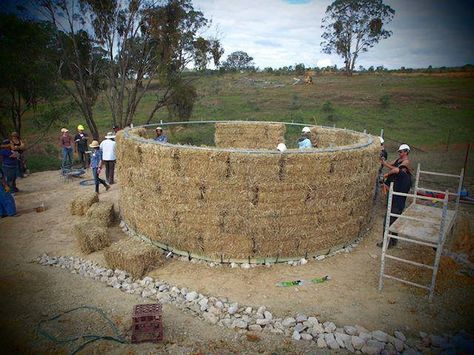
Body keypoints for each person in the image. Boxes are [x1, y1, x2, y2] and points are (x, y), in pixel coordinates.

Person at [377, 144, 412, 248]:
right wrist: (384, 162)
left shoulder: (405, 164)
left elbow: (396, 170)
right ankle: (393, 241)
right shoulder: (399, 161)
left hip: (397, 198)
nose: (400, 153)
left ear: (406, 152)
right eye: (399, 152)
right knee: (394, 220)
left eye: (401, 152)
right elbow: (393, 166)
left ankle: (387, 243)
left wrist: (387, 173)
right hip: (394, 195)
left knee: (389, 220)